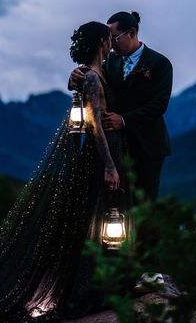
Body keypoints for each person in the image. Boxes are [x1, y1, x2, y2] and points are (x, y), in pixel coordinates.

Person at [0, 21, 130, 323]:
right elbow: (94, 124)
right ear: (101, 41)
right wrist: (109, 165)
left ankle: (102, 286)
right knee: (94, 220)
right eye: (108, 38)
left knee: (102, 219)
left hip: (109, 152)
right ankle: (87, 292)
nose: (111, 43)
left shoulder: (95, 72)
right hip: (101, 155)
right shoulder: (92, 77)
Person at [70, 11, 173, 202]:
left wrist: (124, 120)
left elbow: (159, 105)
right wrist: (75, 76)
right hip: (117, 144)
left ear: (132, 33)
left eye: (114, 38)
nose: (110, 44)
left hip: (147, 145)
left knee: (144, 202)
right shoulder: (109, 61)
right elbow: (94, 82)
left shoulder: (160, 63)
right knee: (118, 202)